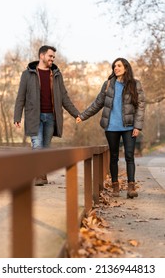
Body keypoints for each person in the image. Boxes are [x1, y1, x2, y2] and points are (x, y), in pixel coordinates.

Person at [76, 57, 145, 198]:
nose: (116, 68)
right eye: (114, 66)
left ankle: (131, 187)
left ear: (126, 67)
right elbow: (97, 103)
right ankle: (115, 187)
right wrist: (83, 116)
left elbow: (141, 106)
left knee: (129, 156)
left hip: (129, 127)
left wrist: (137, 126)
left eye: (119, 66)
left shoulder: (135, 84)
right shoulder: (108, 85)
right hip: (111, 127)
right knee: (113, 157)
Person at [14, 45, 80, 185]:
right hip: (34, 116)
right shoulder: (27, 74)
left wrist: (76, 114)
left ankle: (42, 174)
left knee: (45, 147)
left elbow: (64, 97)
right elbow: (21, 97)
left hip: (51, 116)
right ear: (42, 56)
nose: (52, 59)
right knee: (37, 145)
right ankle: (38, 175)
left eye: (53, 57)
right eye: (50, 56)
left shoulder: (56, 74)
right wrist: (17, 117)